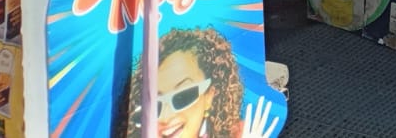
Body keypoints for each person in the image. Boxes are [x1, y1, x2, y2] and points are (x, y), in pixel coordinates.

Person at [116, 27, 277, 138]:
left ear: (209, 96)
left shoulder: (239, 134)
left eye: (183, 97)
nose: (165, 116)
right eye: (154, 106)